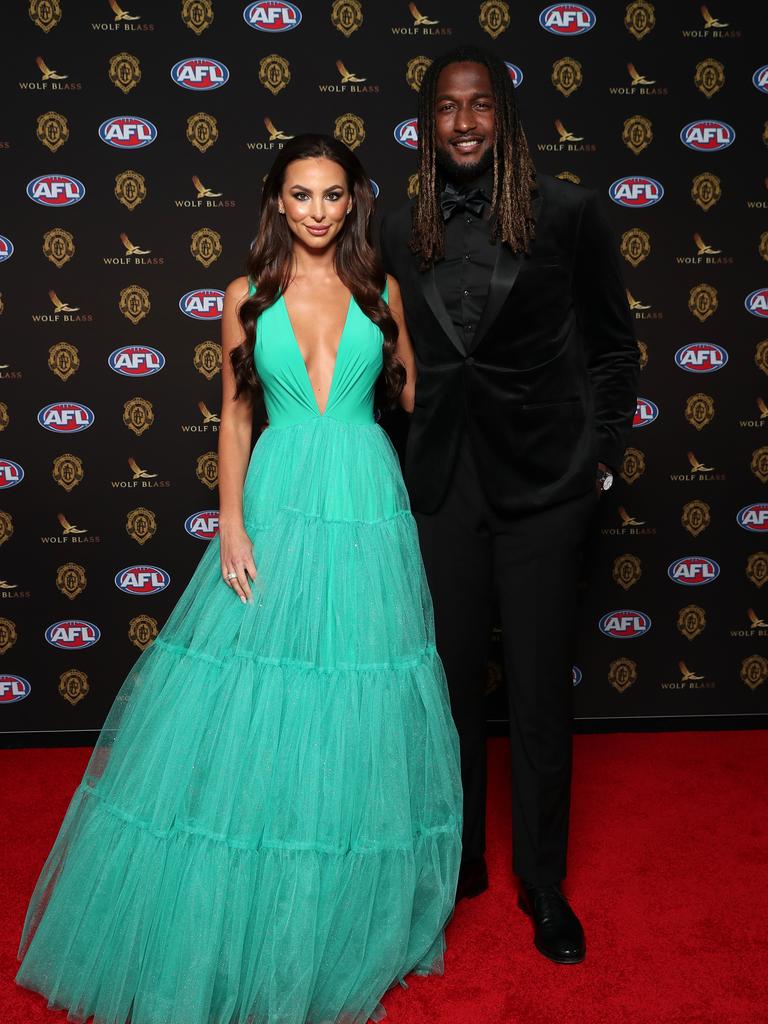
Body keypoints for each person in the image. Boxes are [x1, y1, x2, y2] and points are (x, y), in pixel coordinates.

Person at [15, 133, 462, 1024]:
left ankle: (339, 902)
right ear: (276, 201)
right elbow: (233, 417)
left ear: (355, 202)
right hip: (280, 494)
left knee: (357, 692)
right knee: (264, 689)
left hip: (368, 502)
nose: (319, 212)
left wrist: (478, 349)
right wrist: (230, 523)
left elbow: (417, 393)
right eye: (302, 195)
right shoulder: (245, 298)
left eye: (334, 196)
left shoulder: (382, 294)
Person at [380, 45, 639, 965]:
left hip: (544, 494)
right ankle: (458, 869)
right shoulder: (397, 227)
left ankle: (544, 881)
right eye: (447, 108)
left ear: (505, 117)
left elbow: (615, 350)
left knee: (537, 698)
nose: (463, 123)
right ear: (426, 123)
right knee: (445, 696)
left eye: (480, 106)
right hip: (443, 491)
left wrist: (600, 464)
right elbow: (384, 361)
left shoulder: (567, 213)